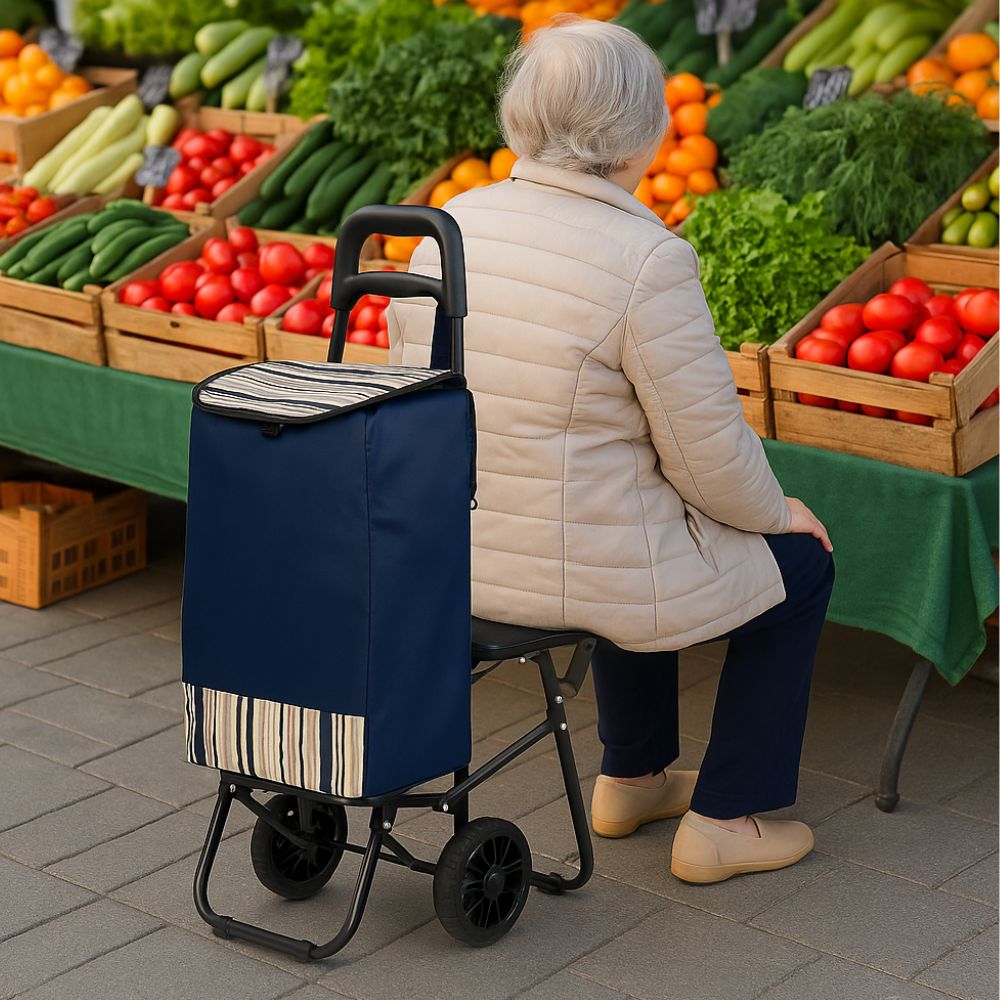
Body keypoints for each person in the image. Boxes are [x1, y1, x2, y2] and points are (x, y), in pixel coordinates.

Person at [387, 17, 835, 884]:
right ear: (638, 131)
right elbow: (707, 457)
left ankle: (632, 776)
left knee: (634, 520)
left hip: (451, 558)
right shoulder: (647, 259)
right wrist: (780, 512)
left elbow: (410, 406)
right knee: (799, 562)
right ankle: (723, 822)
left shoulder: (449, 224)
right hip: (580, 568)